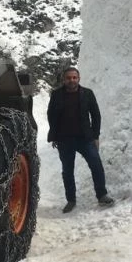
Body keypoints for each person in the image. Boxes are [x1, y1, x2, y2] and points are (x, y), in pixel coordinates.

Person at [47, 66, 114, 213]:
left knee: (96, 164)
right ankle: (71, 200)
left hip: (85, 138)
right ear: (64, 80)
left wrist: (95, 136)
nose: (71, 80)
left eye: (74, 77)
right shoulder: (56, 94)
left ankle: (102, 195)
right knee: (67, 171)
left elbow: (96, 115)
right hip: (64, 140)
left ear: (79, 78)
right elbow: (51, 115)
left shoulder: (88, 94)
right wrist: (54, 136)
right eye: (68, 78)